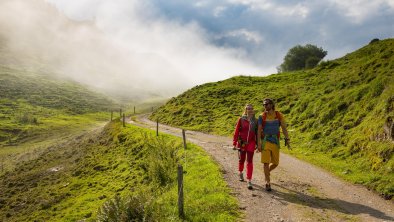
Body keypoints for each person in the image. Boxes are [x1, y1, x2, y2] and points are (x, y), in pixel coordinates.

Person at [257, 98, 291, 191]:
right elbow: (259, 130)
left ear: (272, 105)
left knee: (275, 163)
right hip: (265, 141)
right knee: (266, 163)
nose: (265, 106)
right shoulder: (261, 116)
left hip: (275, 141)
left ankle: (266, 173)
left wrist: (287, 139)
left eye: (267, 104)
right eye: (264, 105)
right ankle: (267, 182)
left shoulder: (279, 115)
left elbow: (284, 127)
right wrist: (258, 143)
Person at [233, 104, 257, 190]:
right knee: (242, 159)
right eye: (248, 109)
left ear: (253, 110)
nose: (250, 110)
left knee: (249, 161)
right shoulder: (241, 119)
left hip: (251, 143)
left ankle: (249, 180)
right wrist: (234, 142)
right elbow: (236, 131)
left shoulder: (255, 121)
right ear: (245, 110)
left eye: (251, 108)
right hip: (242, 143)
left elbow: (257, 133)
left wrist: (258, 144)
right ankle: (240, 172)